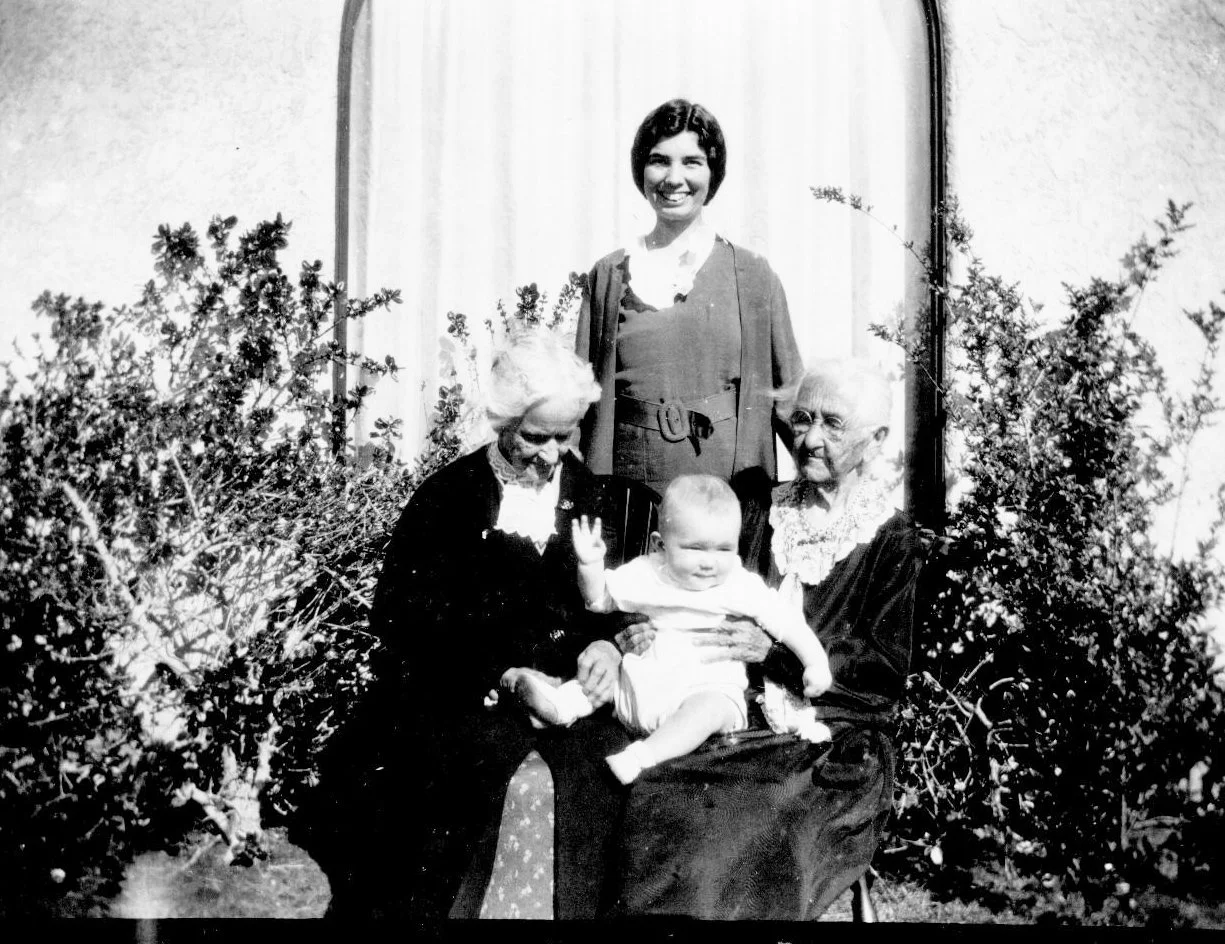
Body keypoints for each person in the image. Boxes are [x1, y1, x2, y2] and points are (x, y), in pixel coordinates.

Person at [309, 331, 632, 924]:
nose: (552, 454)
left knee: (607, 775)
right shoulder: (450, 498)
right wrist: (501, 674)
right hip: (465, 694)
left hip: (577, 699)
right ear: (503, 422)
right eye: (535, 437)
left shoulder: (595, 497)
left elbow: (627, 600)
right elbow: (406, 620)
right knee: (450, 791)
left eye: (566, 435)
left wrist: (611, 648)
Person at [606, 357, 929, 919]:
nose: (810, 439)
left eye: (833, 424)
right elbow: (682, 584)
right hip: (727, 709)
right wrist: (639, 628)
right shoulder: (757, 510)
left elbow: (881, 673)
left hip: (834, 737)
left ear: (876, 439)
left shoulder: (892, 540)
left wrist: (776, 657)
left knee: (741, 821)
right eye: (803, 419)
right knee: (664, 792)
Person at [502, 473, 832, 785]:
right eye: (695, 548)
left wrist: (815, 662)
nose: (710, 562)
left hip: (703, 687)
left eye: (724, 549)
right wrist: (590, 566)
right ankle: (561, 706)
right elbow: (599, 600)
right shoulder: (647, 573)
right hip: (643, 685)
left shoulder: (738, 584)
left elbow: (787, 622)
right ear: (660, 545)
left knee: (711, 707)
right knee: (603, 680)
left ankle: (644, 755)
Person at [577, 98, 802, 509]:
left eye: (692, 162)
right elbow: (577, 406)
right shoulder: (608, 277)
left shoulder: (753, 276)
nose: (673, 178)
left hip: (727, 498)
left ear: (713, 173)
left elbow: (793, 406)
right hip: (629, 500)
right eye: (659, 161)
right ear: (640, 170)